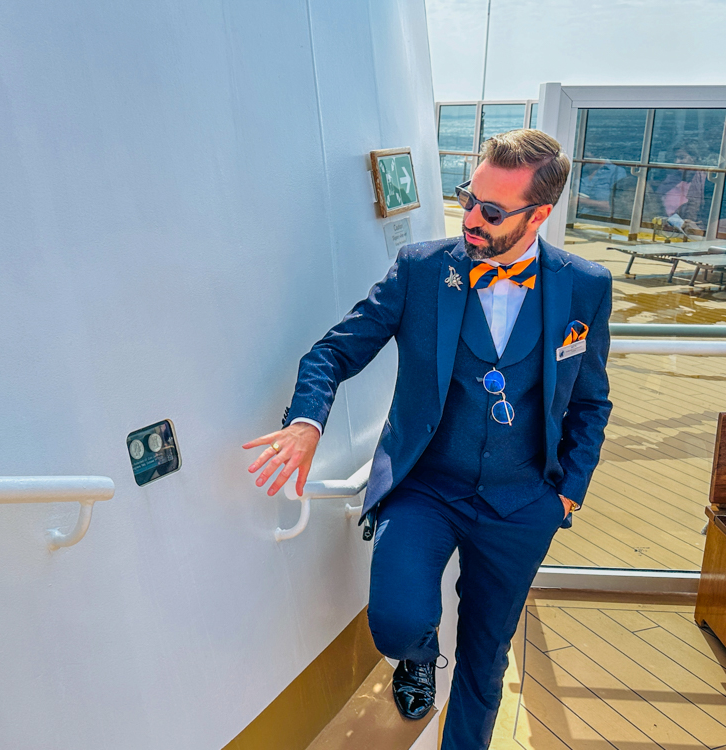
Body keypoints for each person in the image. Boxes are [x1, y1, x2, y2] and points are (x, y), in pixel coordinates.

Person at [243, 129, 612, 750]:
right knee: (396, 621)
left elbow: (591, 401)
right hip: (427, 487)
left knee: (485, 662)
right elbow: (333, 353)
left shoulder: (585, 285)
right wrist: (306, 423)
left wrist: (567, 492)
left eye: (491, 210)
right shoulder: (420, 270)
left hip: (523, 502)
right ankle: (417, 655)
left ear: (538, 215)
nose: (470, 218)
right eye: (468, 197)